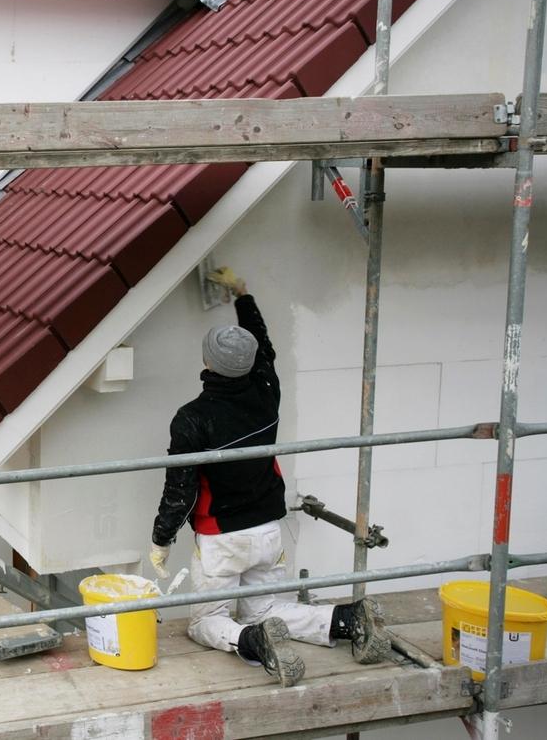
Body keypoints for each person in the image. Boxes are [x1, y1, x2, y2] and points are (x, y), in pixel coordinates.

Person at [149, 267, 390, 687]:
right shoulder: (266, 388)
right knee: (265, 608)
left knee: (205, 621)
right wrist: (243, 294)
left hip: (223, 538)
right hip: (267, 531)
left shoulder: (192, 418)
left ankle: (253, 641)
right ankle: (346, 619)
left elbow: (180, 489)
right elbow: (264, 346)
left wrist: (161, 539)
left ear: (207, 363)